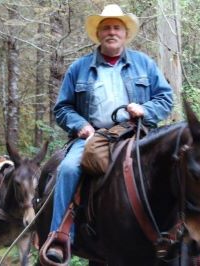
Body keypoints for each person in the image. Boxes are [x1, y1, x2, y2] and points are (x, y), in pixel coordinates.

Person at [43, 4, 173, 263]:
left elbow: (166, 99)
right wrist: (80, 125)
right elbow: (62, 108)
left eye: (116, 27)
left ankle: (179, 237)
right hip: (95, 136)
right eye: (106, 28)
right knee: (69, 169)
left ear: (125, 33)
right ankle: (60, 236)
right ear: (99, 34)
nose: (112, 32)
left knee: (172, 168)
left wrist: (144, 109)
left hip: (137, 133)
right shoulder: (79, 68)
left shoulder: (144, 64)